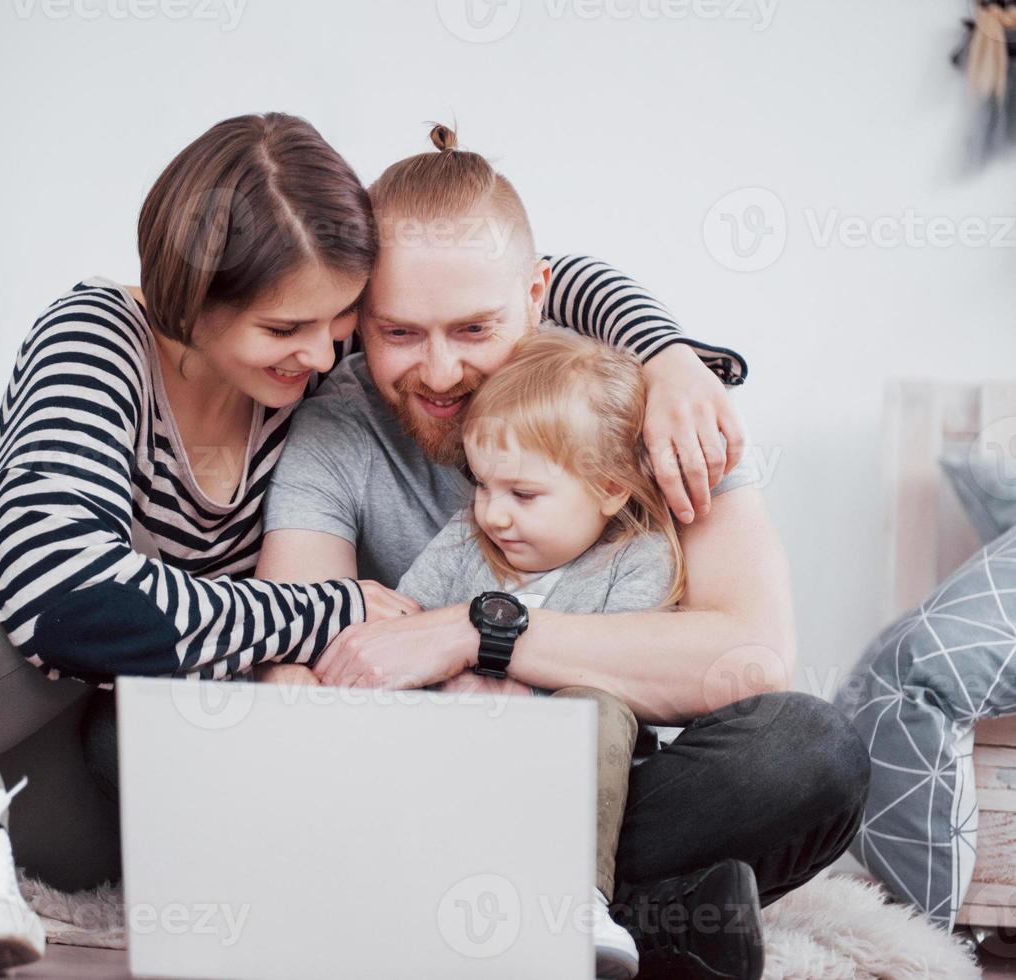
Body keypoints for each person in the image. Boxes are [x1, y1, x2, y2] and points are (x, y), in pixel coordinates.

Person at [0, 113, 722, 975]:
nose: (324, 357)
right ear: (185, 297)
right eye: (285, 328)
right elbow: (65, 599)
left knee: (85, 613)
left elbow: (544, 286)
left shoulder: (312, 395)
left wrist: (668, 353)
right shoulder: (95, 338)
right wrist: (317, 610)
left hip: (41, 797)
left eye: (338, 325)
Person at [255, 124, 871, 980]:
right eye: (398, 333)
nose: (437, 372)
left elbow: (747, 655)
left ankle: (489, 906)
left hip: (609, 781)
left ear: (536, 294)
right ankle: (645, 919)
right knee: (149, 738)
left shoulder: (640, 405)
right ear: (358, 317)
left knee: (809, 751)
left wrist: (477, 630)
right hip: (425, 773)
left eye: (474, 328)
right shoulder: (334, 427)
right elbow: (299, 652)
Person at [388, 327, 699, 978]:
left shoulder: (635, 558)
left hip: (573, 790)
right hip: (449, 768)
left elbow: (618, 671)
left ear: (610, 489)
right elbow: (405, 628)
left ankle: (576, 899)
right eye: (480, 484)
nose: (493, 514)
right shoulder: (465, 539)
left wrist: (515, 682)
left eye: (522, 495)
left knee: (594, 706)